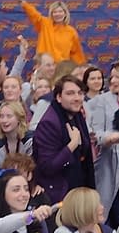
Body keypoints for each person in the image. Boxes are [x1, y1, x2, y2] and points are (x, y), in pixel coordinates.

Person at [33, 75, 95, 203]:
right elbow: (47, 167)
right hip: (59, 194)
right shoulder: (49, 123)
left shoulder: (77, 115)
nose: (77, 98)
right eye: (70, 93)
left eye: (80, 93)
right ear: (59, 97)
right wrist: (72, 145)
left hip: (79, 188)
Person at [13, 0, 86, 64]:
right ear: (51, 14)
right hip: (43, 67)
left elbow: (76, 54)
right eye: (55, 12)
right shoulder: (45, 24)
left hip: (61, 70)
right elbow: (33, 14)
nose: (58, 14)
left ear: (65, 13)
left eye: (60, 11)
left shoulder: (71, 31)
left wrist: (80, 69)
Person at [0, 101, 33, 166]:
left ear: (19, 119)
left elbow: (30, 167)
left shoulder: (30, 141)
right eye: (1, 116)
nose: (4, 120)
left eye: (9, 116)